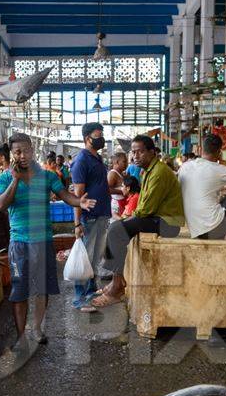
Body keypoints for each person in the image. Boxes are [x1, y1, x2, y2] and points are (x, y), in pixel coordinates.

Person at [0, 133, 96, 344]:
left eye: (26, 150)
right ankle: (21, 335)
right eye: (17, 152)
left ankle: (37, 329)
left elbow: (64, 196)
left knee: (42, 289)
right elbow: (0, 205)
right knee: (19, 291)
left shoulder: (48, 176)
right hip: (19, 243)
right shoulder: (5, 178)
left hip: (43, 242)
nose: (23, 155)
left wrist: (80, 202)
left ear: (33, 149)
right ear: (12, 154)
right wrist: (15, 180)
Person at [93, 135, 184, 307]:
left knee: (117, 229)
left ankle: (117, 287)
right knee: (116, 227)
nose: (135, 156)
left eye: (140, 152)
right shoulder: (148, 170)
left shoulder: (159, 172)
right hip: (156, 218)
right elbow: (143, 204)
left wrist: (128, 219)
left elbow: (145, 210)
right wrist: (127, 218)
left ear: (152, 152)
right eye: (133, 152)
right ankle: (116, 282)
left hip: (168, 224)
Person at [70, 122, 113, 312]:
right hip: (89, 217)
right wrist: (77, 223)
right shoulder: (81, 161)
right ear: (87, 138)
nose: (101, 138)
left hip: (102, 215)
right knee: (85, 259)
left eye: (102, 134)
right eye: (98, 135)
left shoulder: (96, 158)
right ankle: (80, 298)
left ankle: (91, 290)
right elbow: (78, 196)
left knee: (94, 258)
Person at [108, 151, 129, 215]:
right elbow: (107, 189)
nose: (127, 164)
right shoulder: (112, 174)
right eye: (124, 161)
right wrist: (122, 191)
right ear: (117, 162)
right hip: (117, 205)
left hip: (123, 203)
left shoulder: (122, 173)